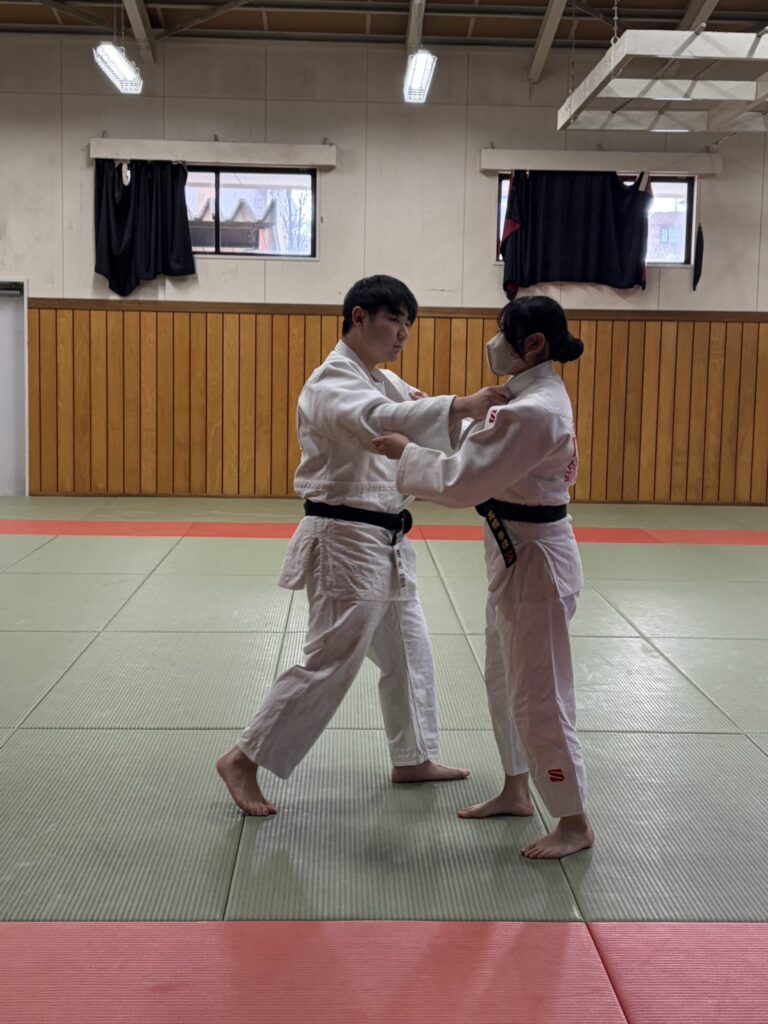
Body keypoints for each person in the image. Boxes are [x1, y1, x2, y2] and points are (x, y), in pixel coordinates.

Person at [217, 275, 508, 816]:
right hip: (345, 540)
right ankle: (244, 758)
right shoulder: (331, 381)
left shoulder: (382, 380)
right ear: (359, 317)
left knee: (411, 652)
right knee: (332, 660)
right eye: (394, 320)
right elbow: (379, 421)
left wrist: (484, 422)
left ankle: (413, 756)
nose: (403, 333)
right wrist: (462, 404)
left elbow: (421, 419)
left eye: (407, 324)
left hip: (386, 539)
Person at [372, 296, 594, 860]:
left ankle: (573, 821)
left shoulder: (534, 410)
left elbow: (464, 482)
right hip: (513, 549)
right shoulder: (522, 399)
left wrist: (406, 452)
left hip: (536, 561)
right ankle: (517, 789)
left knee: (539, 694)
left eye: (503, 332)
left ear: (534, 344)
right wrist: (445, 416)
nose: (495, 342)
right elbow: (481, 447)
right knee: (503, 679)